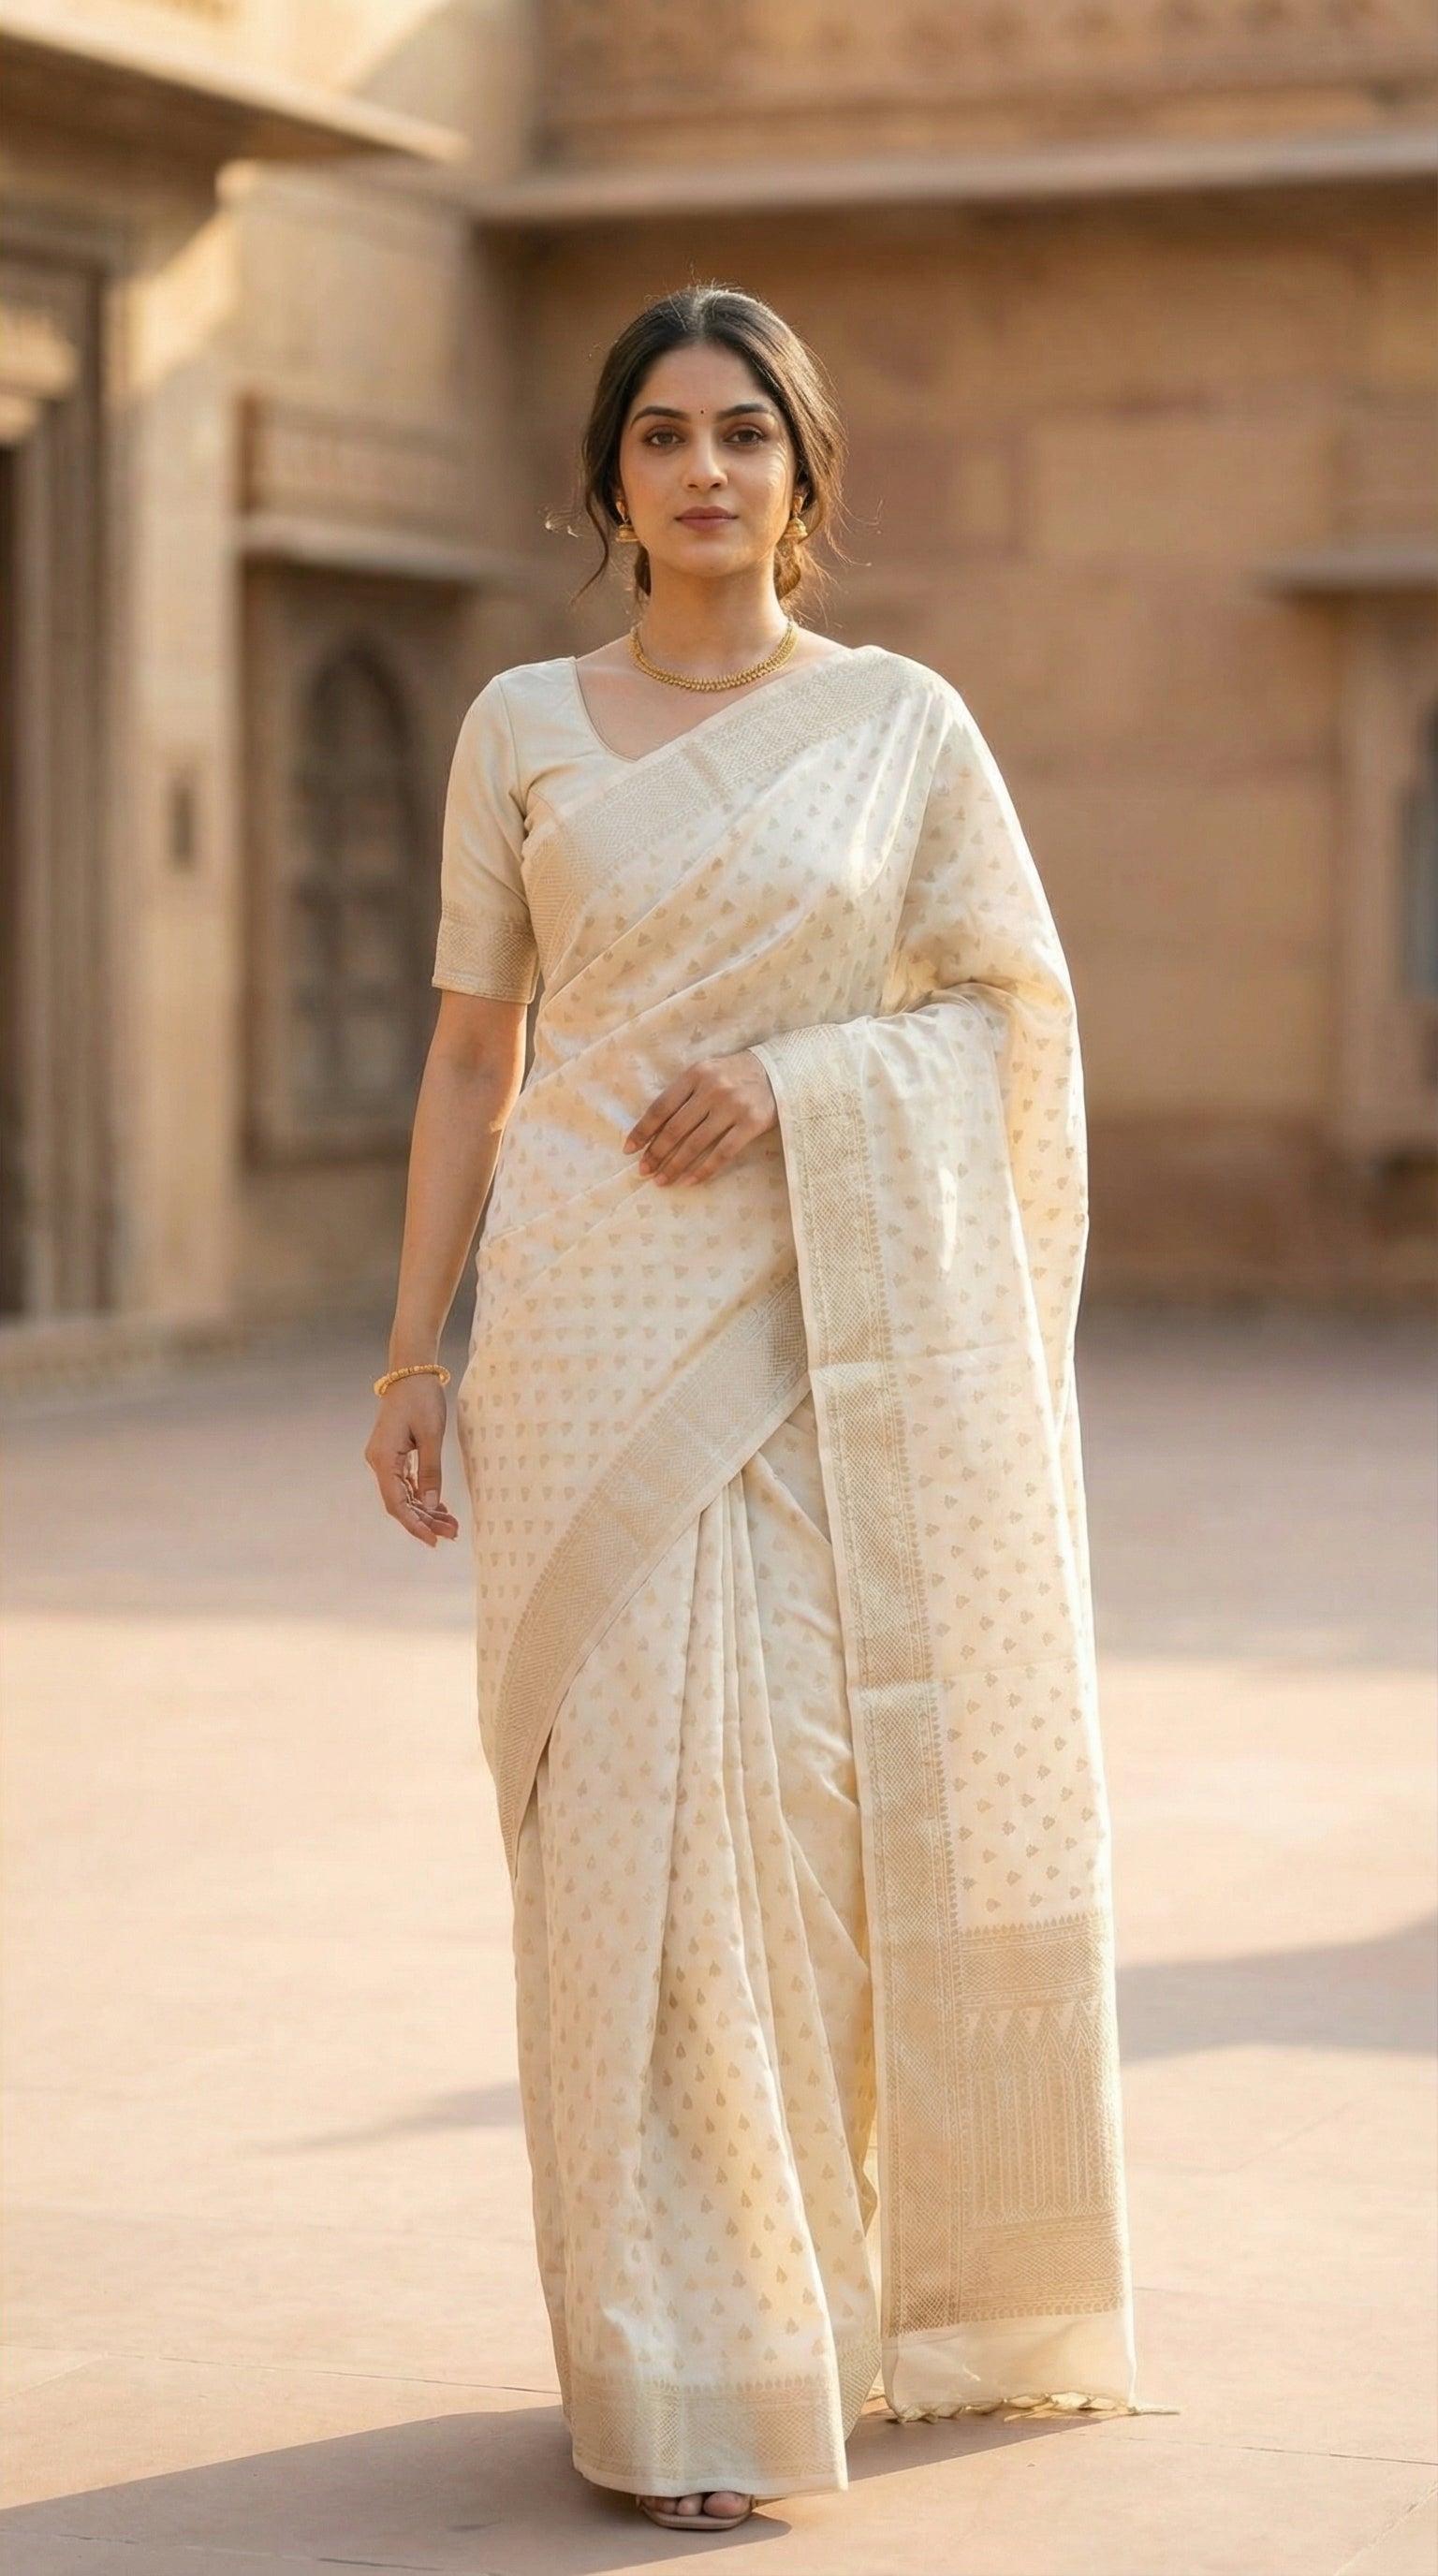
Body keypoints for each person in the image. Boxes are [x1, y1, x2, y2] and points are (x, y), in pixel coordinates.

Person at [364, 284, 1137, 2536]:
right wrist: (417, 1349)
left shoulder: (903, 726)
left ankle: (786, 2325)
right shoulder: (520, 721)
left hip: (816, 1340)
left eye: (748, 435)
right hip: (584, 1335)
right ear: (606, 476)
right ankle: (667, 2357)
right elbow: (464, 1060)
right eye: (664, 434)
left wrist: (805, 1082)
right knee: (614, 1845)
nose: (706, 471)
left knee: (792, 1814)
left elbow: (1013, 1019)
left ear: (805, 475)